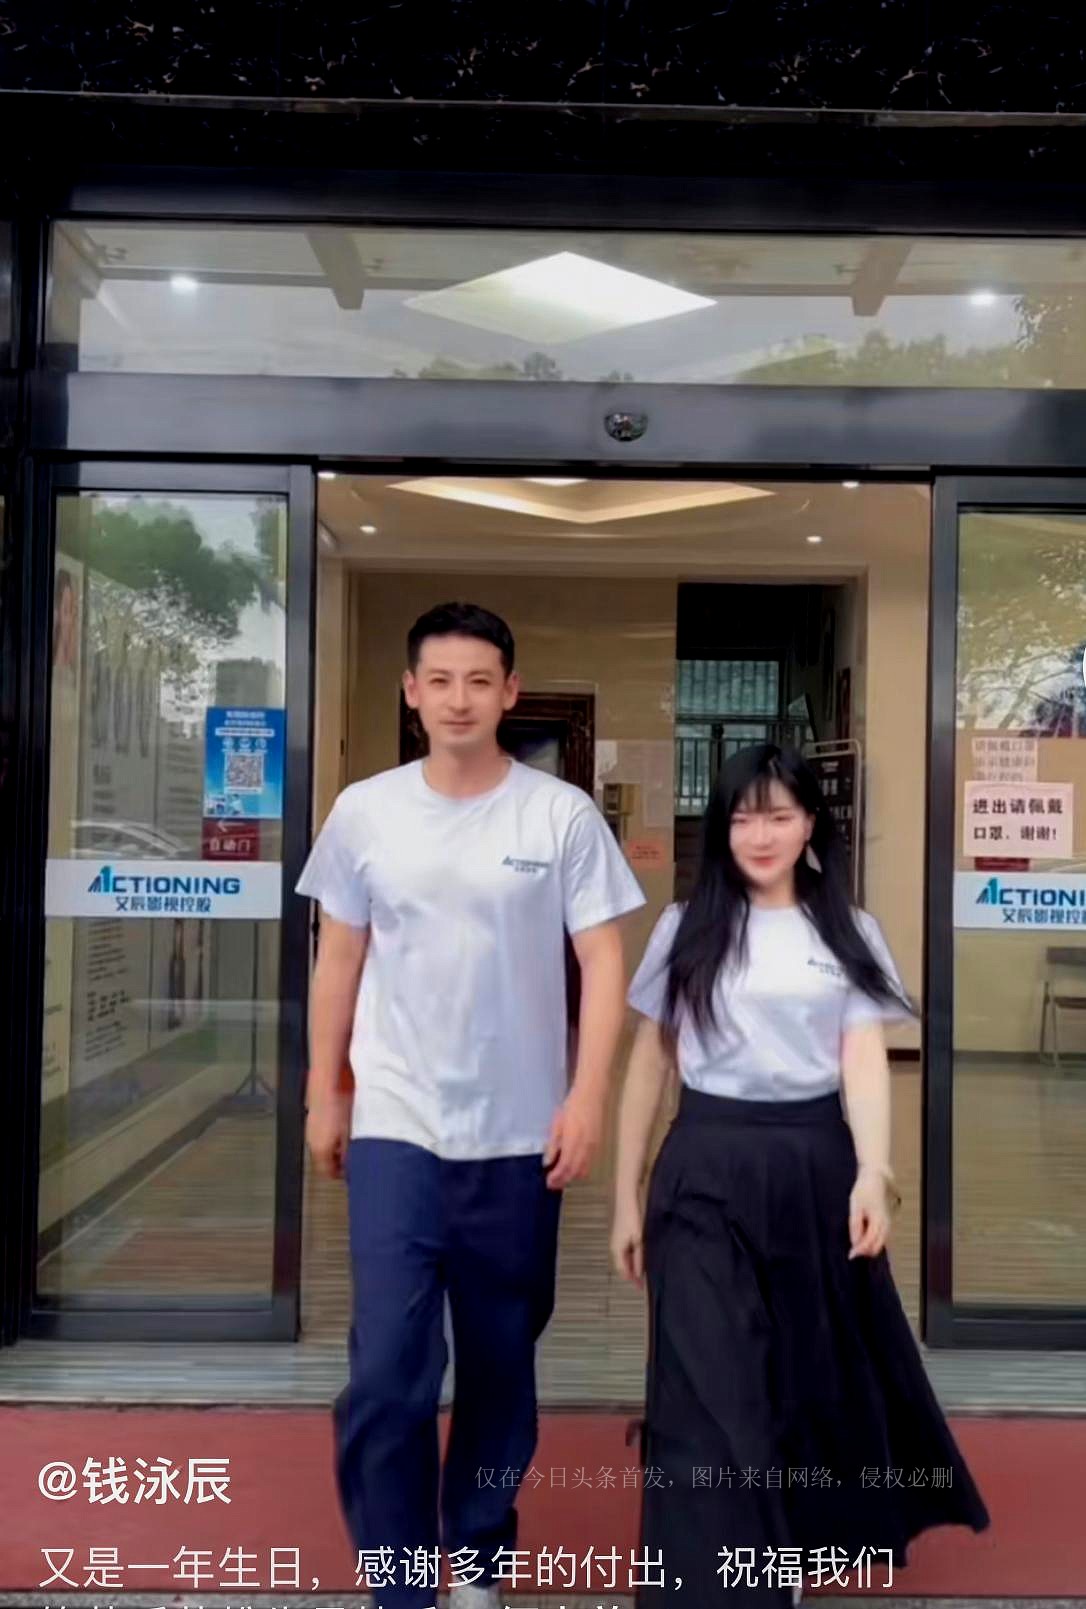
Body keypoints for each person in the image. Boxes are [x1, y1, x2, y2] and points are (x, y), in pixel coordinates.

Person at [296, 601, 646, 1609]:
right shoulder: (366, 810)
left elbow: (603, 958)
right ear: (412, 691)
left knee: (499, 1369)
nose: (459, 699)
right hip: (397, 1124)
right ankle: (402, 1578)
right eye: (440, 680)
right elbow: (339, 957)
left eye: (479, 681)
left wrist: (587, 1096)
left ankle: (481, 1556)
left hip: (518, 1136)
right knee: (388, 1373)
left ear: (509, 691)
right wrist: (326, 1092)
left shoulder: (558, 815)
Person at [611, 744, 989, 1608]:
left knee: (802, 1373)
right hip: (704, 1166)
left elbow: (863, 1057)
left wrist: (874, 1171)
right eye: (743, 817)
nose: (760, 834)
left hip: (814, 1166)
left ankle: (781, 1546)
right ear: (721, 826)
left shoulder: (847, 930)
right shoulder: (685, 927)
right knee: (707, 1379)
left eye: (779, 815)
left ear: (811, 824)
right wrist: (626, 1197)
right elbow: (650, 1065)